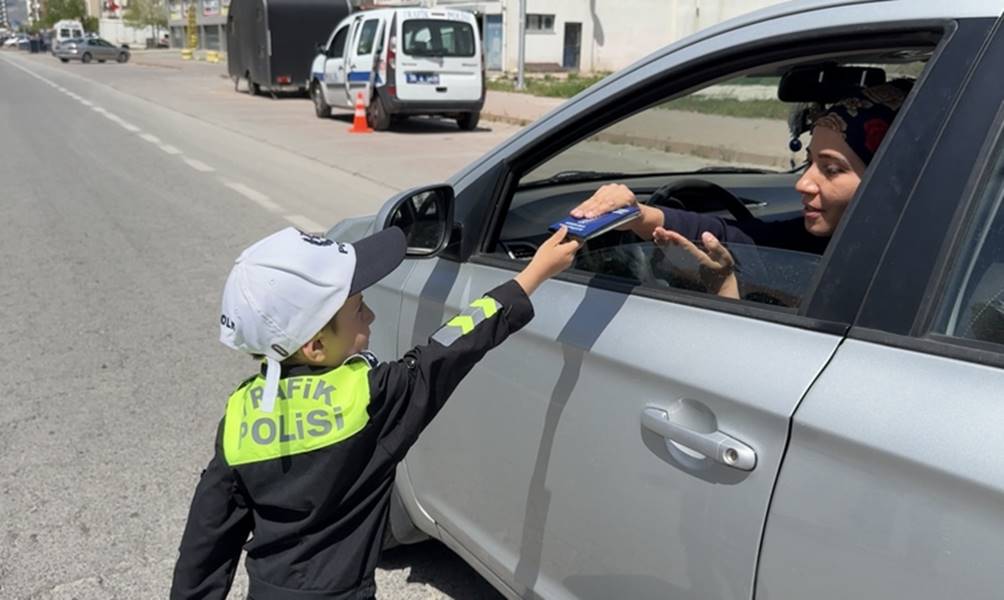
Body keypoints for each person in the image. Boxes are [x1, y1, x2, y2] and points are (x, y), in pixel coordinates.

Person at [170, 224, 580, 600]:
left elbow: (205, 543)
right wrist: (533, 275)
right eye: (359, 308)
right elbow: (450, 347)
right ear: (315, 345)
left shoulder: (242, 415)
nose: (371, 315)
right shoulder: (370, 398)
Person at [570, 80, 912, 299]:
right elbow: (738, 237)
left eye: (832, 169)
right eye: (808, 162)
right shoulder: (833, 239)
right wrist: (641, 215)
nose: (803, 183)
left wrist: (722, 285)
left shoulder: (897, 282)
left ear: (889, 181)